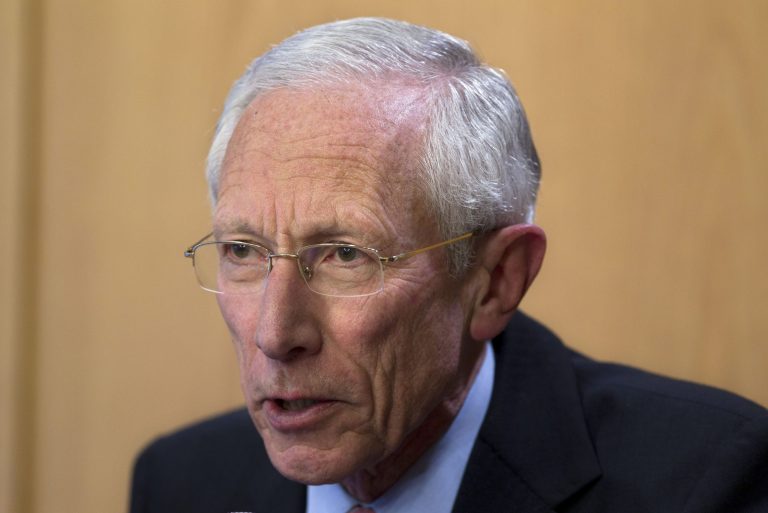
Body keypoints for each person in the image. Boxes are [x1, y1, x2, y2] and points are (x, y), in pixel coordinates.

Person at [129, 18, 768, 513]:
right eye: (244, 251)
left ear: (496, 281)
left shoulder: (705, 479)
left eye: (346, 255)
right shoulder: (181, 481)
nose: (274, 332)